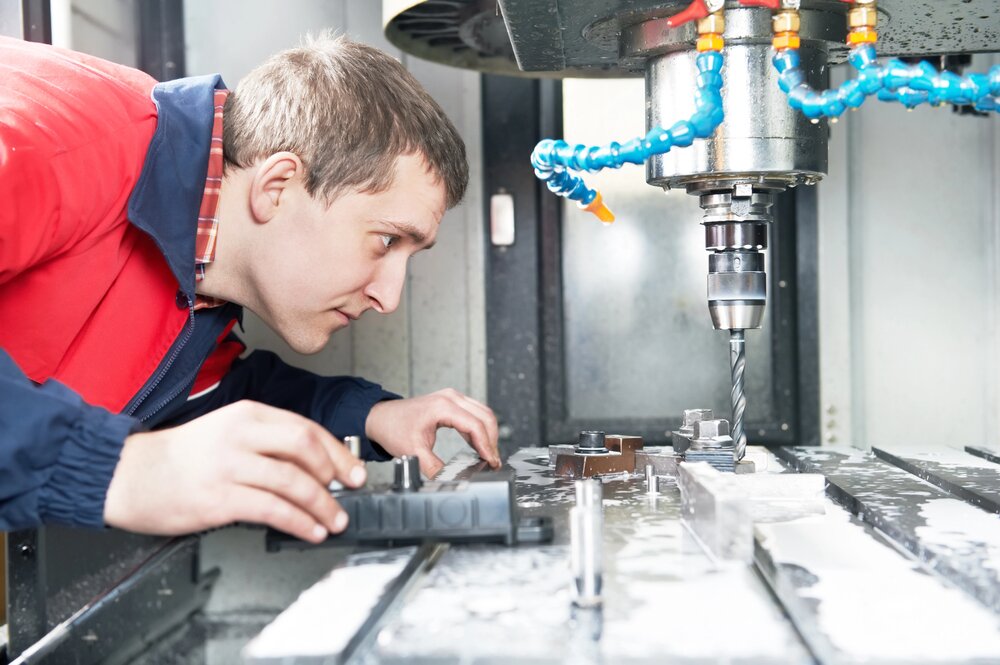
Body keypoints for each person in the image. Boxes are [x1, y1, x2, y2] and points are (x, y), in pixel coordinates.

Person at [0, 33, 500, 545]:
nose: (389, 299)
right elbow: (146, 459)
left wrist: (370, 416)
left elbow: (206, 401)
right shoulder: (53, 141)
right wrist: (121, 469)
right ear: (277, 187)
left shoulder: (203, 284)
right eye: (386, 240)